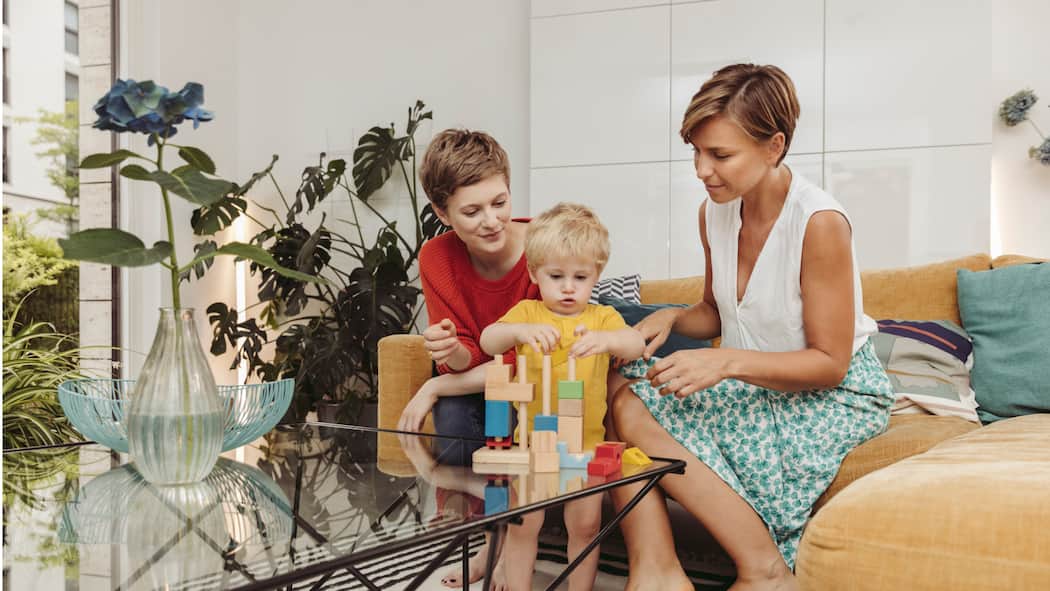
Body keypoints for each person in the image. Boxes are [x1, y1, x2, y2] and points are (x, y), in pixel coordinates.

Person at [607, 64, 894, 591]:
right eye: (696, 152)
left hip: (829, 394)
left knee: (635, 409)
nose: (702, 169)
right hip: (751, 381)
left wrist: (725, 362)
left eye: (719, 155)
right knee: (618, 388)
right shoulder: (714, 211)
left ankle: (765, 571)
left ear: (774, 146)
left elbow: (829, 364)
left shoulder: (819, 222)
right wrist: (672, 317)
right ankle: (657, 571)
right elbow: (718, 312)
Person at [396, 128, 539, 588]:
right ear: (441, 212)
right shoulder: (436, 256)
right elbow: (464, 356)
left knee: (461, 401)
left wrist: (438, 382)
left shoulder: (544, 245)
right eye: (472, 211)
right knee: (457, 412)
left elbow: (530, 360)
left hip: (542, 386)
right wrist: (453, 354)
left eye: (499, 202)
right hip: (479, 387)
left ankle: (509, 543)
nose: (492, 221)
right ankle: (483, 537)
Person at [480, 202, 645, 591]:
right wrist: (517, 333)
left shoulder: (602, 318)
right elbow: (489, 339)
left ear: (597, 275)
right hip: (531, 445)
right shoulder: (527, 312)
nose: (568, 287)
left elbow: (635, 343)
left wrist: (609, 340)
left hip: (585, 447)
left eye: (580, 277)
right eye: (556, 276)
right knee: (523, 523)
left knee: (585, 526)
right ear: (535, 273)